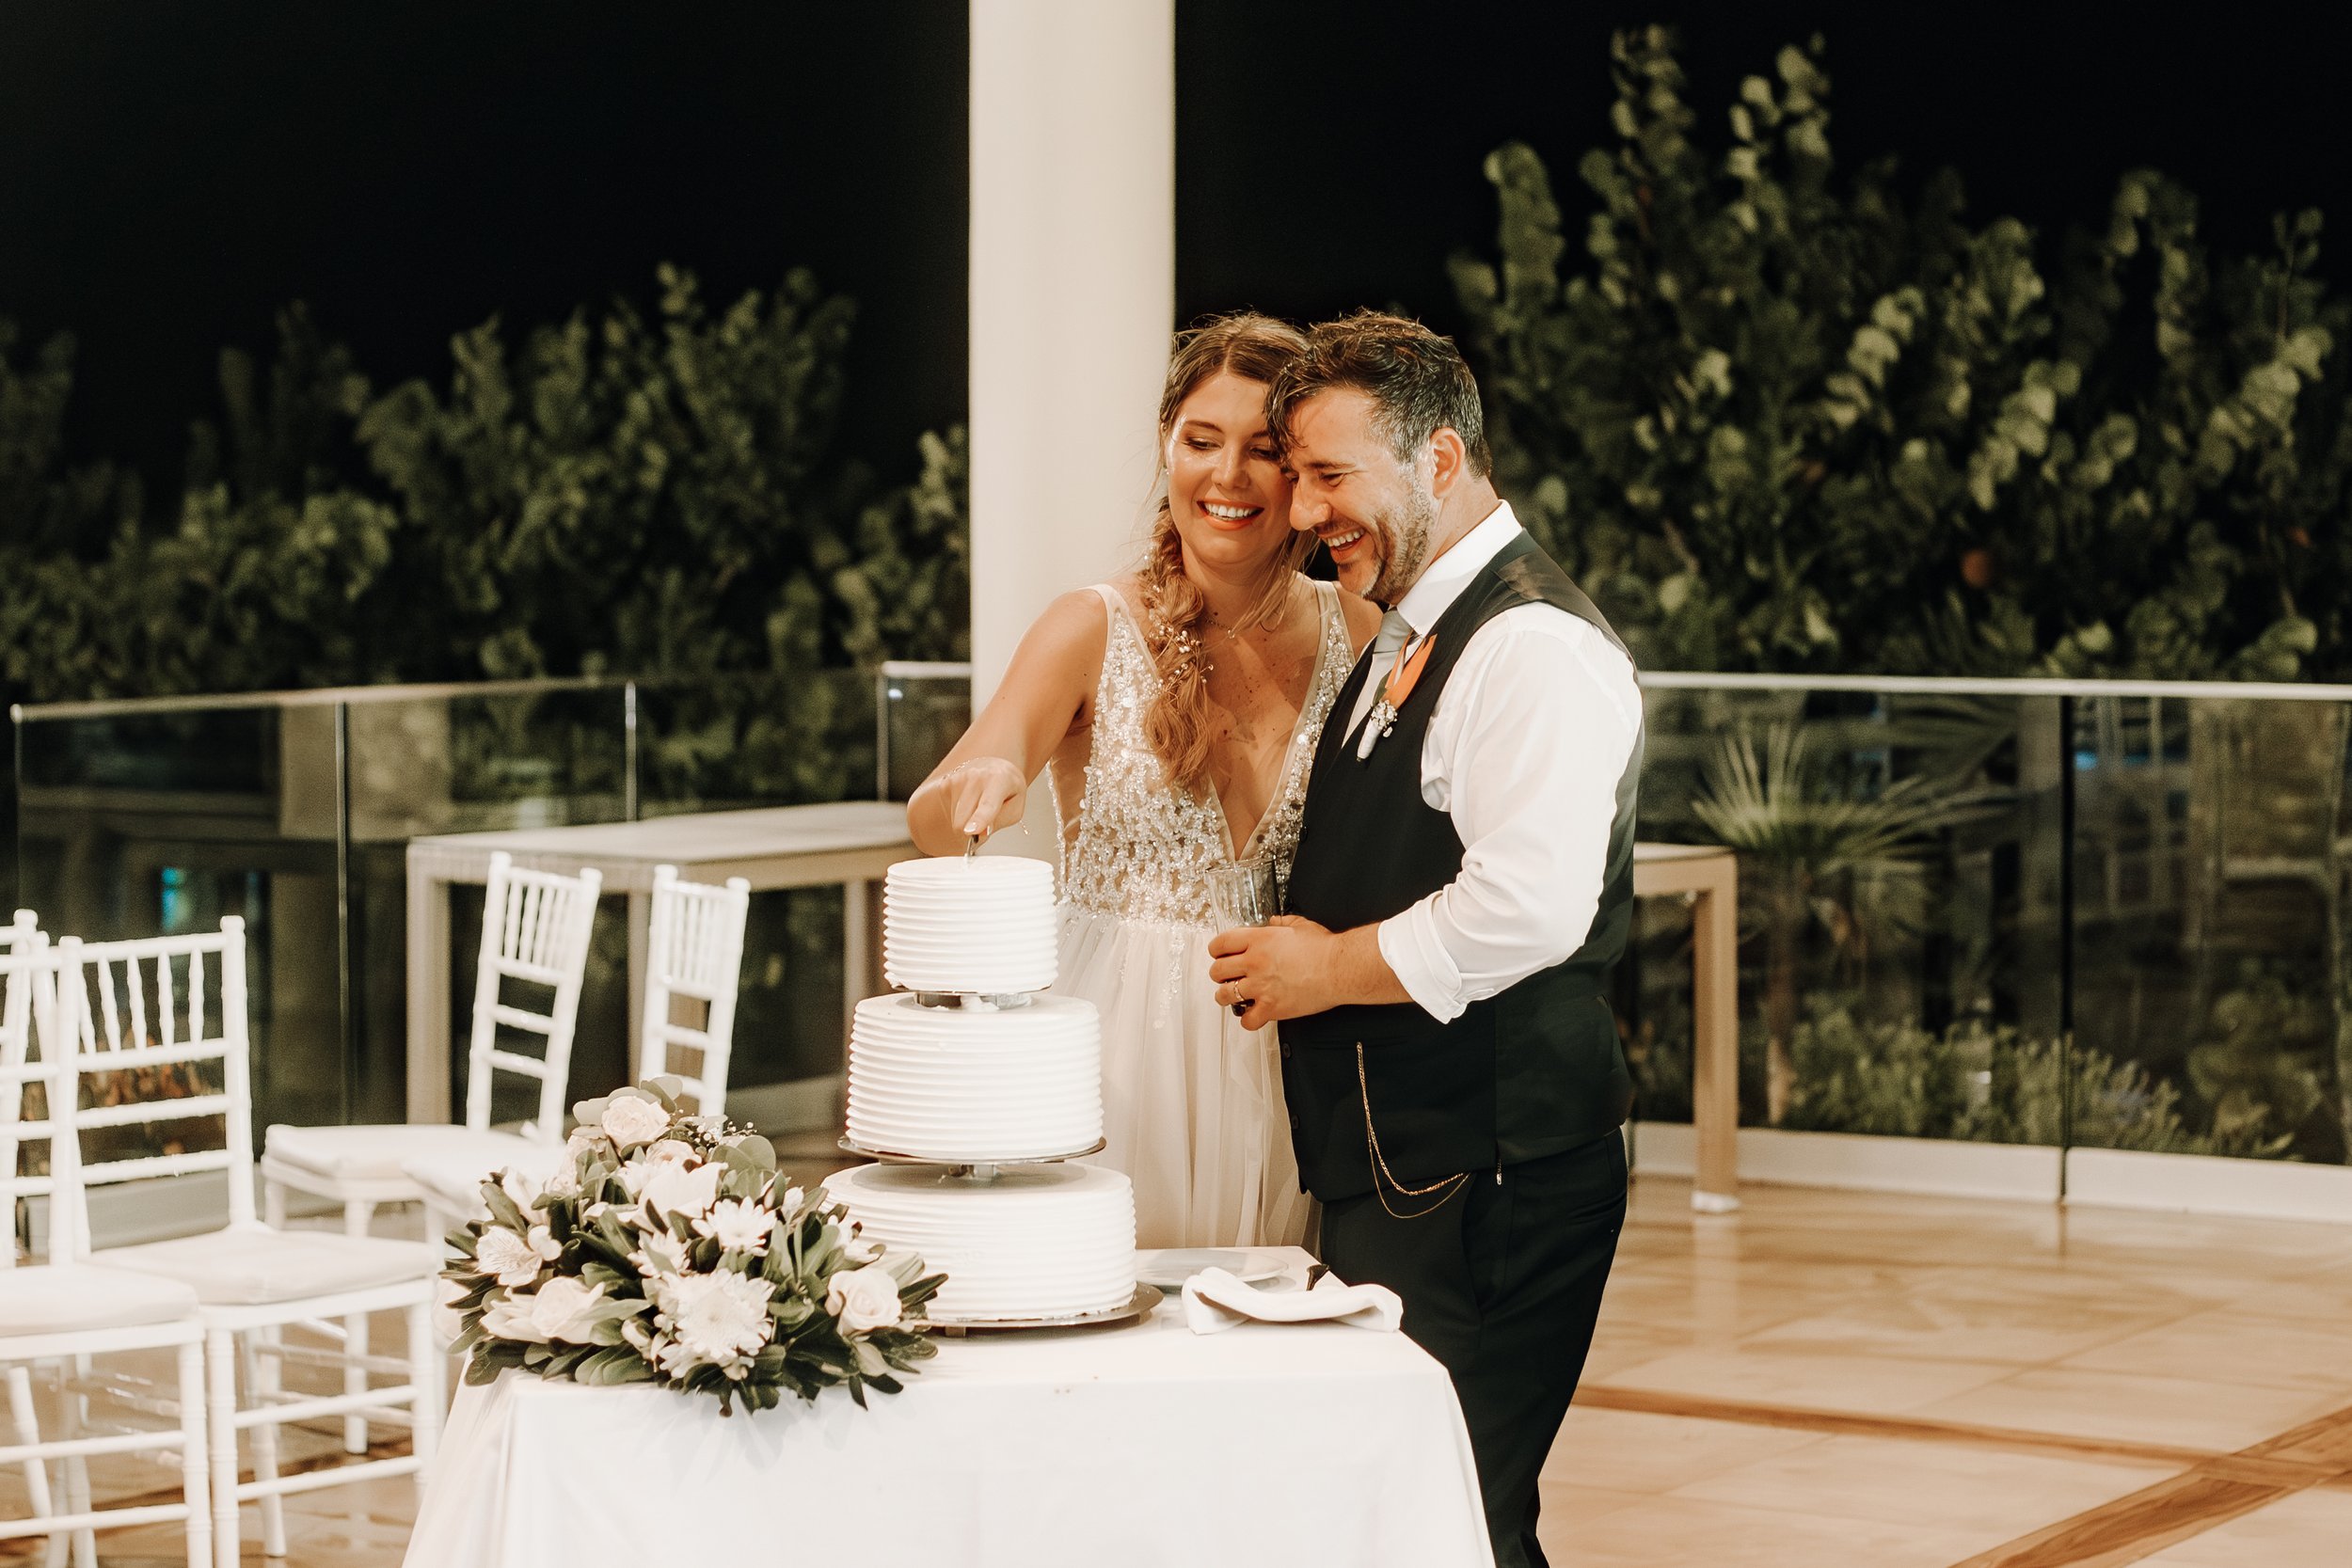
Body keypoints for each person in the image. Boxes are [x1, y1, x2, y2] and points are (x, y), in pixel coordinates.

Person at [1205, 312, 1644, 1568]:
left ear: (1442, 459)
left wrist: (1319, 968)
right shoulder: (1413, 622)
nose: (1300, 512)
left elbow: (1529, 906)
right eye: (1298, 478)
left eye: (1331, 475)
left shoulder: (1532, 645)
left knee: (1453, 1516)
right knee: (1417, 1517)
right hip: (1417, 1167)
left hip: (1490, 1171)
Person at [907, 312, 1382, 1249]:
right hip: (1118, 1054)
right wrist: (990, 776)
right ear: (1167, 445)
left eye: (1262, 451)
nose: (1227, 476)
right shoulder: (1090, 625)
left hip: (1290, 1049)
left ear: (1303, 475)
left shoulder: (1360, 630)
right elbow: (936, 810)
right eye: (1200, 441)